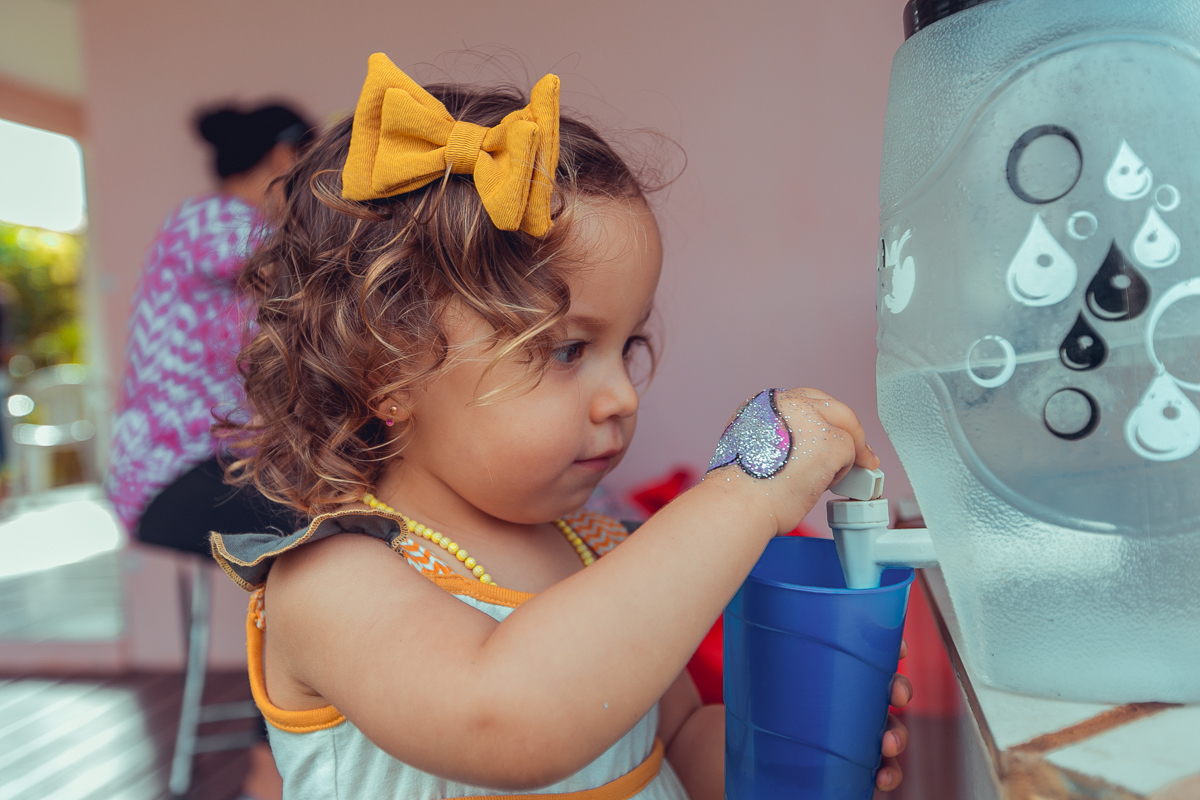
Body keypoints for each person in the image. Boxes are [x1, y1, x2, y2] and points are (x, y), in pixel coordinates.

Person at [211, 54, 910, 800]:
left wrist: (798, 748)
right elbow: (505, 720)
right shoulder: (331, 581)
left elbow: (676, 740)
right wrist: (750, 487)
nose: (621, 398)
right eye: (568, 349)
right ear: (389, 372)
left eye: (628, 346)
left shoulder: (599, 552)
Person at [107, 102, 314, 552]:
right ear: (284, 158)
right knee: (339, 527)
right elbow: (300, 265)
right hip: (173, 473)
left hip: (212, 463)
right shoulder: (209, 219)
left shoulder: (211, 222)